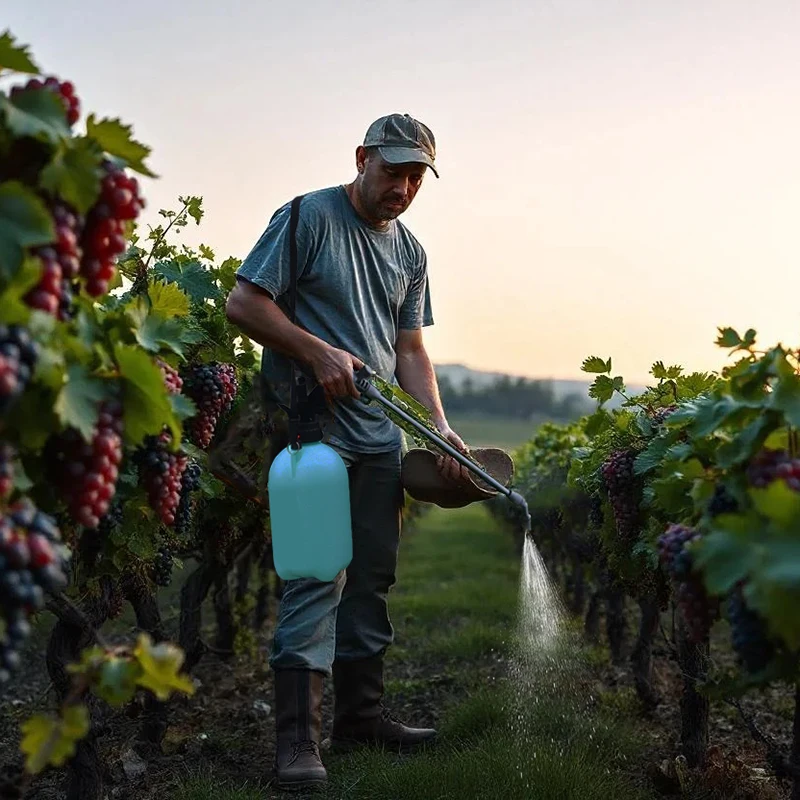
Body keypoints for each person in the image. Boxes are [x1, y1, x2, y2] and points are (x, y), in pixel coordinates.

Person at [225, 112, 468, 791]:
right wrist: (316, 351)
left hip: (380, 442)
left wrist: (437, 425)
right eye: (393, 172)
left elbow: (410, 350)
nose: (403, 189)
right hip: (314, 437)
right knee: (314, 578)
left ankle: (360, 719)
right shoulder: (306, 218)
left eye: (416, 178)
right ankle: (296, 741)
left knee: (370, 583)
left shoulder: (411, 252)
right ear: (362, 158)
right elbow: (244, 305)